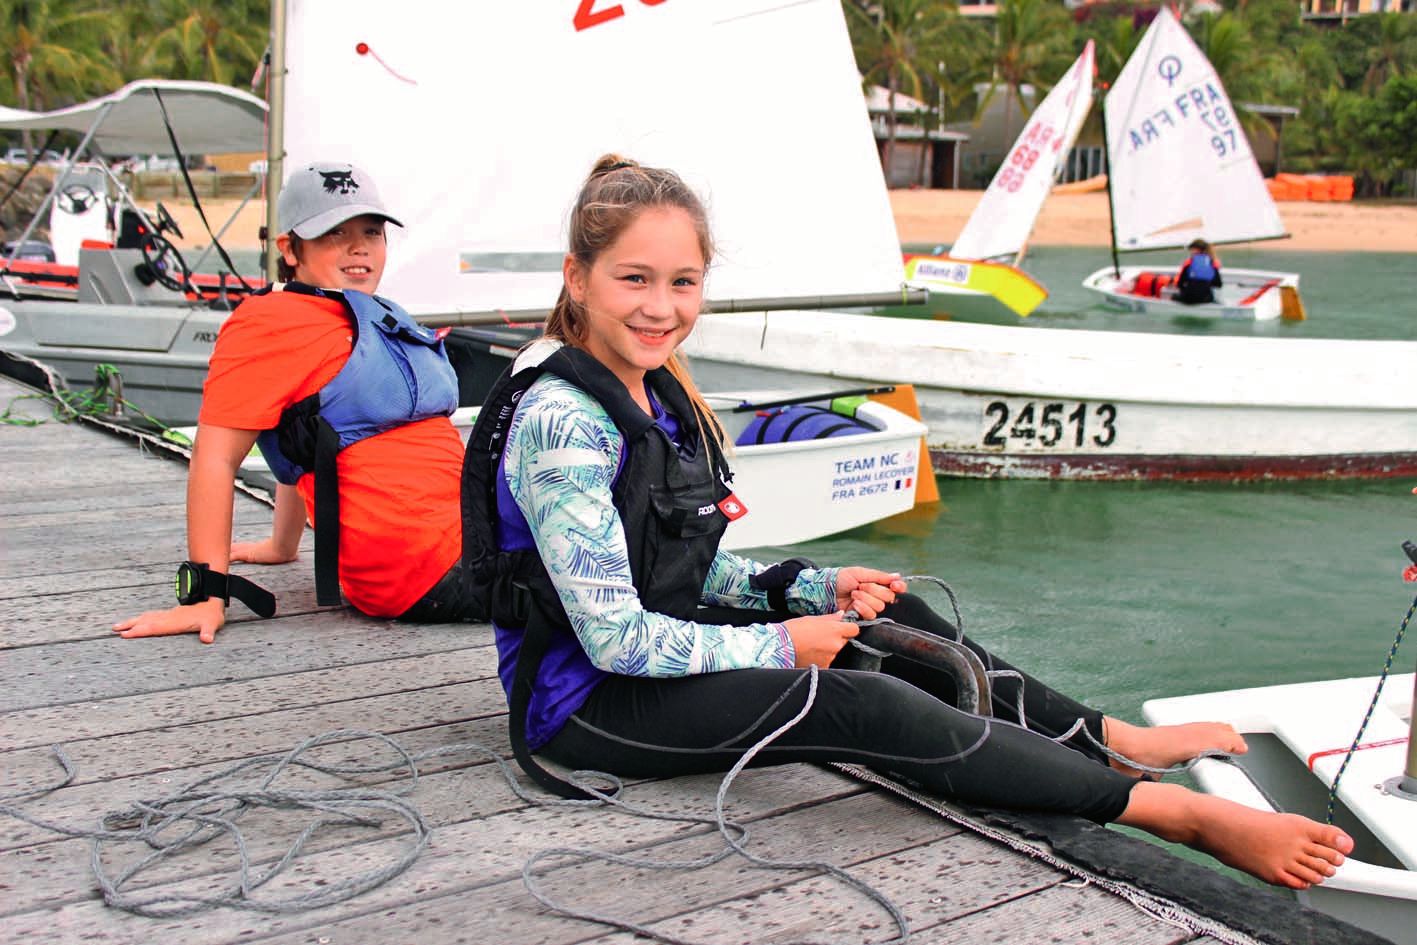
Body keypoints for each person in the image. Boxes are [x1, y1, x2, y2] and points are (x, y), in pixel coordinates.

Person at [469, 154, 1353, 891]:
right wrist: (784, 646)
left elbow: (684, 573)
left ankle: (1105, 738)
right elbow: (618, 637)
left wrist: (819, 588)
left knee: (897, 622)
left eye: (682, 282)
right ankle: (1174, 811)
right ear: (577, 279)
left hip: (657, 656)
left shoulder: (653, 393)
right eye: (633, 279)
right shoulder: (563, 421)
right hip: (584, 705)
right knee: (862, 696)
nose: (660, 306)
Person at [115, 161, 480, 643]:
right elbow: (216, 456)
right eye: (334, 233)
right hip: (426, 569)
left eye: (372, 231)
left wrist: (281, 545)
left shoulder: (375, 311)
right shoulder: (267, 325)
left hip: (472, 536)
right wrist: (206, 592)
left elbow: (305, 437)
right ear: (289, 249)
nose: (358, 247)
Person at [1176, 238, 1222, 305]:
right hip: (1206, 299)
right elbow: (1218, 284)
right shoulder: (1212, 263)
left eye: (1191, 250)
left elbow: (1180, 284)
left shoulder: (1189, 263)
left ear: (1196, 250)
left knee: (1174, 296)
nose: (1191, 252)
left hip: (1188, 299)